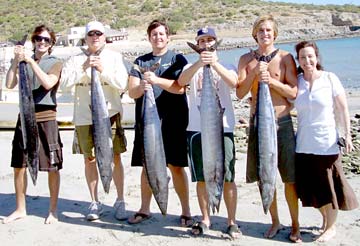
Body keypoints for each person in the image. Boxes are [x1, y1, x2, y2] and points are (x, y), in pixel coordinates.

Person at [236, 15, 301, 242]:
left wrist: (271, 81)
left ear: (275, 34)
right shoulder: (246, 59)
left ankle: (295, 224)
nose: (265, 34)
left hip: (281, 123)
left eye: (269, 31)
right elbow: (240, 93)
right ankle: (275, 221)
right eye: (261, 30)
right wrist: (255, 73)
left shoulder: (285, 58)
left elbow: (294, 93)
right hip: (258, 125)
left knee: (289, 179)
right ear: (255, 33)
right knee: (265, 176)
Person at [60, 21, 129, 221]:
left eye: (99, 33)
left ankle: (120, 199)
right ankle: (94, 201)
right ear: (86, 38)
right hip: (83, 117)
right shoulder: (74, 60)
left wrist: (102, 70)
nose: (95, 37)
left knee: (115, 157)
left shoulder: (115, 58)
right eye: (91, 34)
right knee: (89, 159)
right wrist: (83, 67)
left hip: (110, 115)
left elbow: (123, 84)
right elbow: (63, 86)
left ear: (104, 36)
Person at [127, 19, 192, 226]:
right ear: (149, 38)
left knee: (176, 166)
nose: (158, 37)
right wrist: (144, 84)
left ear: (168, 37)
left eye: (162, 34)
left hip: (174, 120)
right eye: (154, 34)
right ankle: (145, 208)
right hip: (147, 122)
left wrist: (155, 80)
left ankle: (186, 211)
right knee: (148, 166)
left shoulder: (178, 59)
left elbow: (180, 87)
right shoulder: (140, 61)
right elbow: (132, 92)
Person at [177, 27, 240, 239]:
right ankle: (205, 218)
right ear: (198, 43)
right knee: (202, 178)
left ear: (215, 42)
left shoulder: (227, 66)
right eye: (201, 40)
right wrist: (200, 63)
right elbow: (181, 82)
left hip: (222, 128)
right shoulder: (190, 66)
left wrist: (213, 63)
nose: (205, 43)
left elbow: (235, 84)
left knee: (228, 177)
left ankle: (231, 222)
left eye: (210, 40)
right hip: (196, 129)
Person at [294, 40, 358, 243]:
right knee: (313, 187)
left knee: (330, 186)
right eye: (302, 57)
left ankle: (331, 227)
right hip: (304, 143)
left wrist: (347, 135)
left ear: (317, 57)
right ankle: (324, 219)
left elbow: (343, 109)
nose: (307, 60)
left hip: (327, 143)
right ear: (298, 60)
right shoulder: (297, 81)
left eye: (310, 56)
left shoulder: (330, 78)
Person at [3, 25, 63, 224]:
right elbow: (10, 84)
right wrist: (16, 61)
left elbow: (47, 83)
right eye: (38, 38)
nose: (42, 42)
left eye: (46, 39)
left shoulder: (55, 63)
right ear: (34, 41)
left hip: (46, 118)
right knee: (19, 165)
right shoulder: (24, 63)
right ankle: (21, 208)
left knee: (52, 166)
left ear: (51, 43)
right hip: (25, 117)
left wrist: (30, 61)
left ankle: (53, 210)